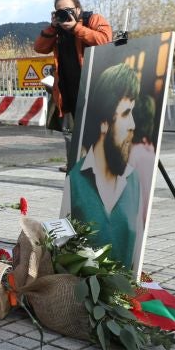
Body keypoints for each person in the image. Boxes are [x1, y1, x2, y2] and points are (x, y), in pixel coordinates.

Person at [64, 63, 142, 269]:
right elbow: (61, 249)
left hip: (125, 295)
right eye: (126, 114)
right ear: (104, 123)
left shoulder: (134, 181)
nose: (133, 124)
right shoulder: (75, 180)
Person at [34, 0, 112, 126]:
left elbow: (105, 40)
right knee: (80, 134)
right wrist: (53, 27)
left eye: (68, 10)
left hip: (94, 90)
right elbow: (39, 48)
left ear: (78, 9)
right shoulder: (57, 30)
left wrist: (76, 27)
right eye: (60, 11)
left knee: (100, 132)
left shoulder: (92, 20)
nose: (65, 14)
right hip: (70, 92)